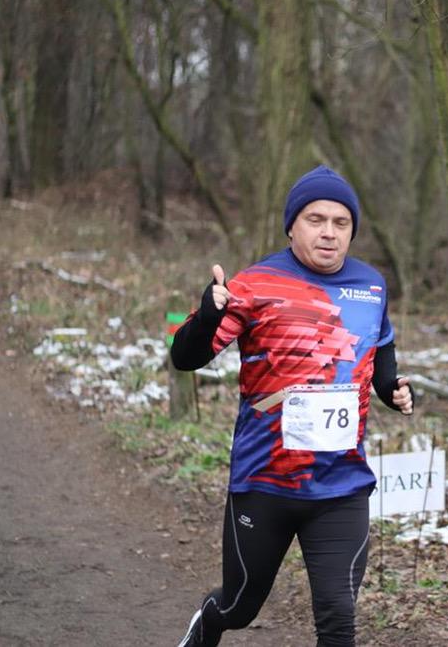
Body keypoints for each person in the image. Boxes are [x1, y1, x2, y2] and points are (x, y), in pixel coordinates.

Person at [172, 165, 414, 646]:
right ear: (291, 226)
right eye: (315, 219)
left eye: (341, 223)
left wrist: (390, 387)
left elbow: (381, 344)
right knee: (239, 606)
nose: (329, 232)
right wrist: (207, 315)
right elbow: (185, 357)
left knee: (338, 619)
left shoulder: (371, 285)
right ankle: (208, 624)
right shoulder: (254, 284)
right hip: (265, 481)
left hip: (342, 484)